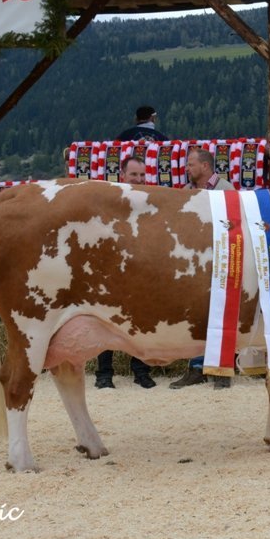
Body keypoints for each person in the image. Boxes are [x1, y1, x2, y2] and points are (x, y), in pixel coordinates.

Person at [170, 148, 237, 390]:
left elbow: (234, 226)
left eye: (190, 164)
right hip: (193, 264)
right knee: (197, 315)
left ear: (205, 166)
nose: (187, 169)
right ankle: (196, 368)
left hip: (221, 261)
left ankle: (222, 370)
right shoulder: (186, 193)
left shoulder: (226, 190)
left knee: (222, 312)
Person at [94, 156, 156, 389]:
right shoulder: (111, 201)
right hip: (113, 269)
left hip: (141, 268)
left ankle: (141, 371)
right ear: (123, 176)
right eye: (134, 175)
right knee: (107, 319)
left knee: (141, 320)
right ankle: (104, 374)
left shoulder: (150, 204)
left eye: (142, 175)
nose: (139, 179)